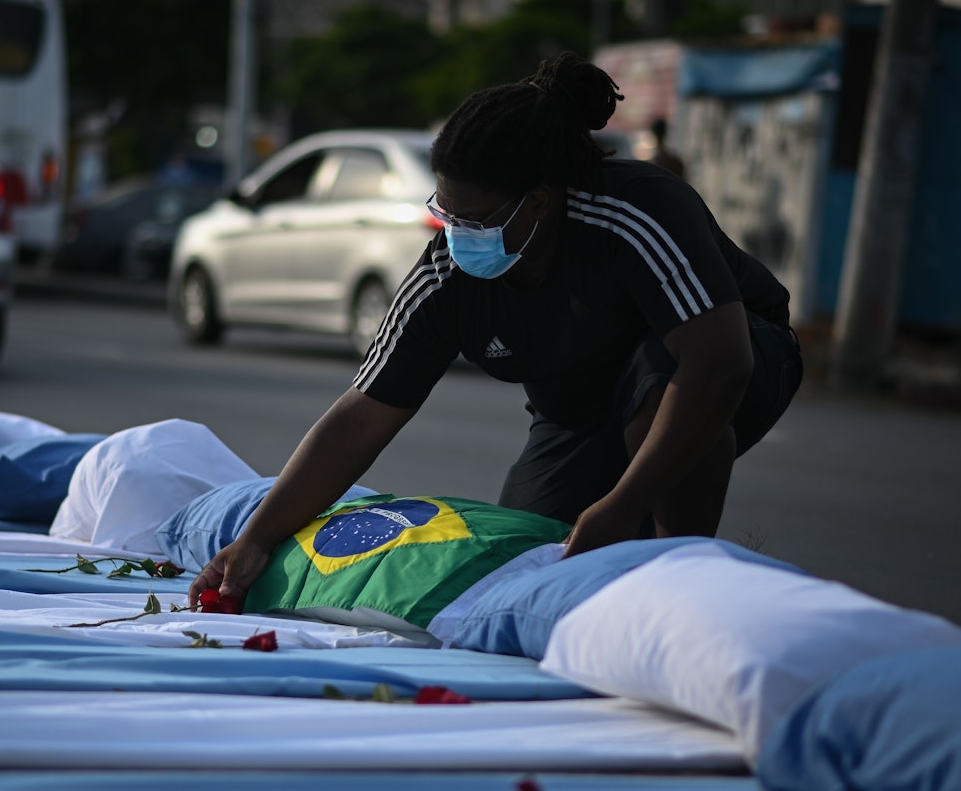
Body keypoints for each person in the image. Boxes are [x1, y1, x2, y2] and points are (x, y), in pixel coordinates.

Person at [189, 52, 801, 606]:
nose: (458, 234)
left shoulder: (633, 213)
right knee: (527, 567)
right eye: (445, 213)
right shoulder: (448, 274)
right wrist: (257, 538)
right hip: (579, 412)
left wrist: (623, 507)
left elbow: (718, 365)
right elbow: (362, 414)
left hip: (727, 361)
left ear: (537, 200)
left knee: (656, 404)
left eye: (475, 218)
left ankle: (682, 585)